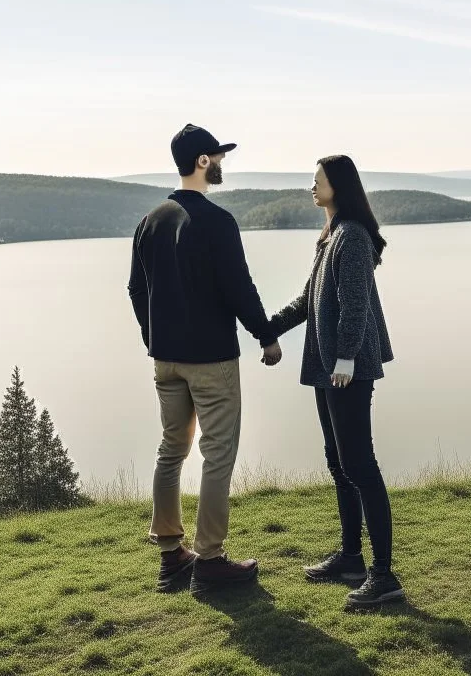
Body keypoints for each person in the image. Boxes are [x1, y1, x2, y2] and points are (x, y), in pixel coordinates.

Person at [128, 124, 283, 595]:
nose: (220, 163)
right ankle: (211, 560)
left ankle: (171, 556)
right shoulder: (217, 221)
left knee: (171, 449)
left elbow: (136, 290)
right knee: (217, 454)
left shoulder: (150, 221)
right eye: (217, 157)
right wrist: (266, 337)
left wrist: (154, 337)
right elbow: (239, 287)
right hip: (212, 360)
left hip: (166, 361)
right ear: (201, 161)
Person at [269, 155, 403, 608]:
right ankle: (350, 558)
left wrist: (346, 356)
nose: (312, 187)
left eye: (318, 181)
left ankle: (383, 576)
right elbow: (309, 299)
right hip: (329, 367)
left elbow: (355, 303)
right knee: (339, 463)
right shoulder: (330, 235)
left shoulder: (354, 237)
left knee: (360, 465)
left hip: (349, 368)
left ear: (338, 186)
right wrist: (268, 327)